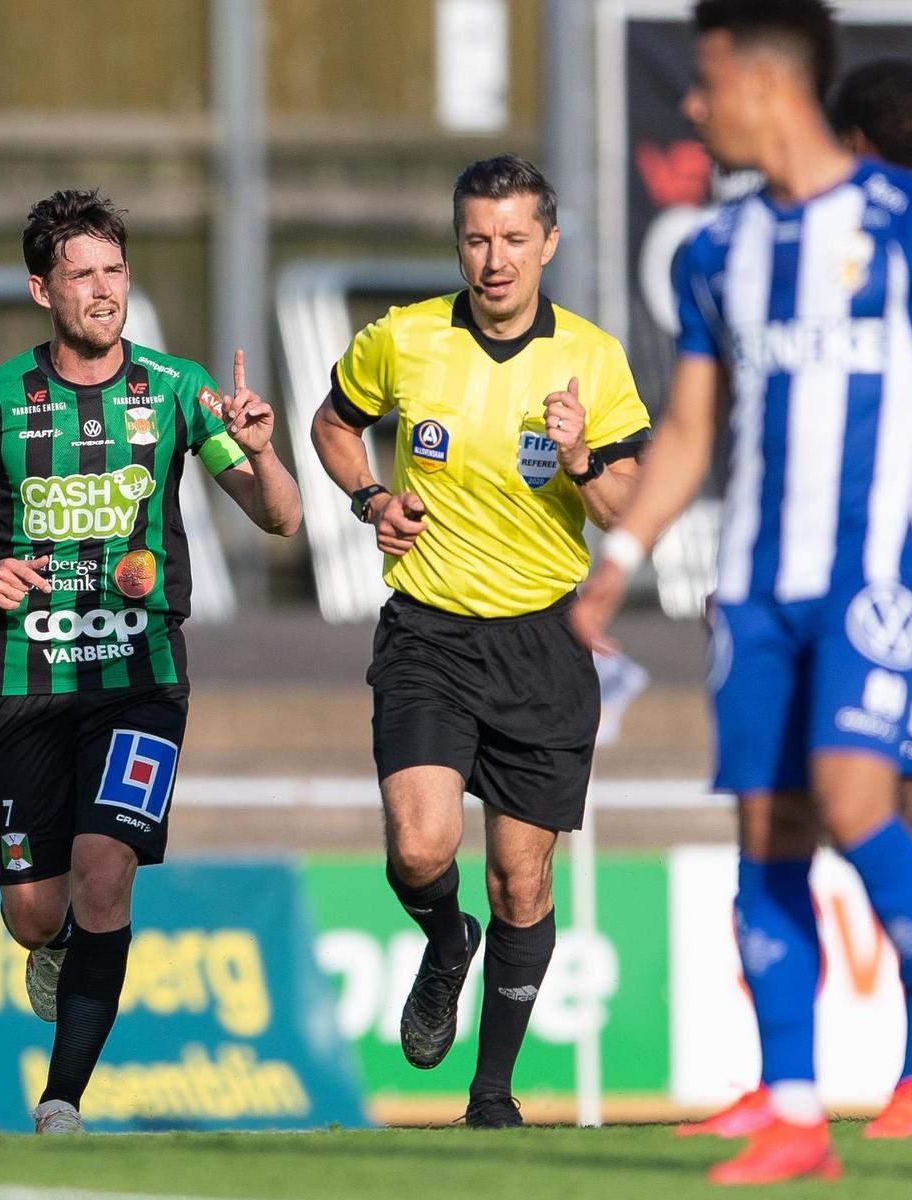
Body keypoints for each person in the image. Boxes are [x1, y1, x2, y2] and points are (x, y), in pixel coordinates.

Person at [571, 0, 912, 1184]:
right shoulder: (721, 250)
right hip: (758, 589)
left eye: (708, 85)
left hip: (878, 581)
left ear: (767, 85)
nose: (695, 108)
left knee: (860, 802)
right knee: (767, 834)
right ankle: (799, 1109)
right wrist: (619, 564)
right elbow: (692, 430)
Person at [0, 189, 301, 1135]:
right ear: (42, 289)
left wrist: (262, 453)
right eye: (82, 274)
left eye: (115, 270)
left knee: (105, 869)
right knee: (35, 912)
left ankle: (62, 1100)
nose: (104, 290)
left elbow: (281, 520)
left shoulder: (178, 389)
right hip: (24, 690)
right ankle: (55, 941)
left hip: (141, 681)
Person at [677, 56, 912, 1145]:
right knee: (787, 804)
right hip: (814, 577)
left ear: (856, 146)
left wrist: (905, 516)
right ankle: (793, 1088)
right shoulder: (785, 254)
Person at [309, 154, 651, 1127]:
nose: (493, 260)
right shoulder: (404, 339)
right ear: (457, 241)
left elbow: (633, 509)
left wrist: (583, 458)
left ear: (547, 241)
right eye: (475, 239)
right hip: (427, 630)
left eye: (512, 239)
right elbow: (334, 425)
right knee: (421, 849)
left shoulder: (592, 359)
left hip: (545, 640)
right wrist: (370, 494)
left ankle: (491, 1096)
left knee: (521, 877)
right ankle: (441, 938)